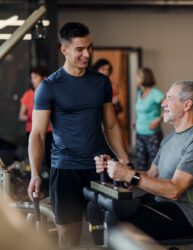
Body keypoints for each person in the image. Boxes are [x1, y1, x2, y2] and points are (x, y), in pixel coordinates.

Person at [27, 22, 129, 248]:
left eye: (89, 48)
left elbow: (110, 126)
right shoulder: (49, 86)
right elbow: (37, 134)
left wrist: (125, 161)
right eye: (80, 49)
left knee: (108, 237)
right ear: (64, 50)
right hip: (65, 170)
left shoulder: (101, 82)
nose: (87, 54)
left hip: (99, 168)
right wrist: (35, 173)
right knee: (69, 238)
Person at [91, 80, 193, 240]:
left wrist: (129, 175)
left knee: (116, 219)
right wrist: (119, 172)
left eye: (169, 97)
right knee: (97, 206)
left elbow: (174, 191)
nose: (163, 103)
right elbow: (151, 175)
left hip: (185, 214)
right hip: (161, 204)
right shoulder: (170, 137)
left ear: (187, 105)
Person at [19, 66, 52, 170]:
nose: (33, 80)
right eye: (32, 78)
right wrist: (34, 117)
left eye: (35, 77)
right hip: (31, 130)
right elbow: (21, 116)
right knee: (36, 158)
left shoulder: (50, 93)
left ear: (43, 77)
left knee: (49, 158)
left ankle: (48, 180)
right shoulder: (28, 94)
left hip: (49, 131)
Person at [134, 67, 164, 171]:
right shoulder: (139, 93)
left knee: (155, 164)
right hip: (139, 133)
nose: (135, 79)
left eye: (137, 76)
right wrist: (136, 122)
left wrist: (158, 120)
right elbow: (140, 111)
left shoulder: (155, 93)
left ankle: (156, 186)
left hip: (152, 134)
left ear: (144, 78)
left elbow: (169, 106)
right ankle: (142, 186)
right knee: (141, 162)